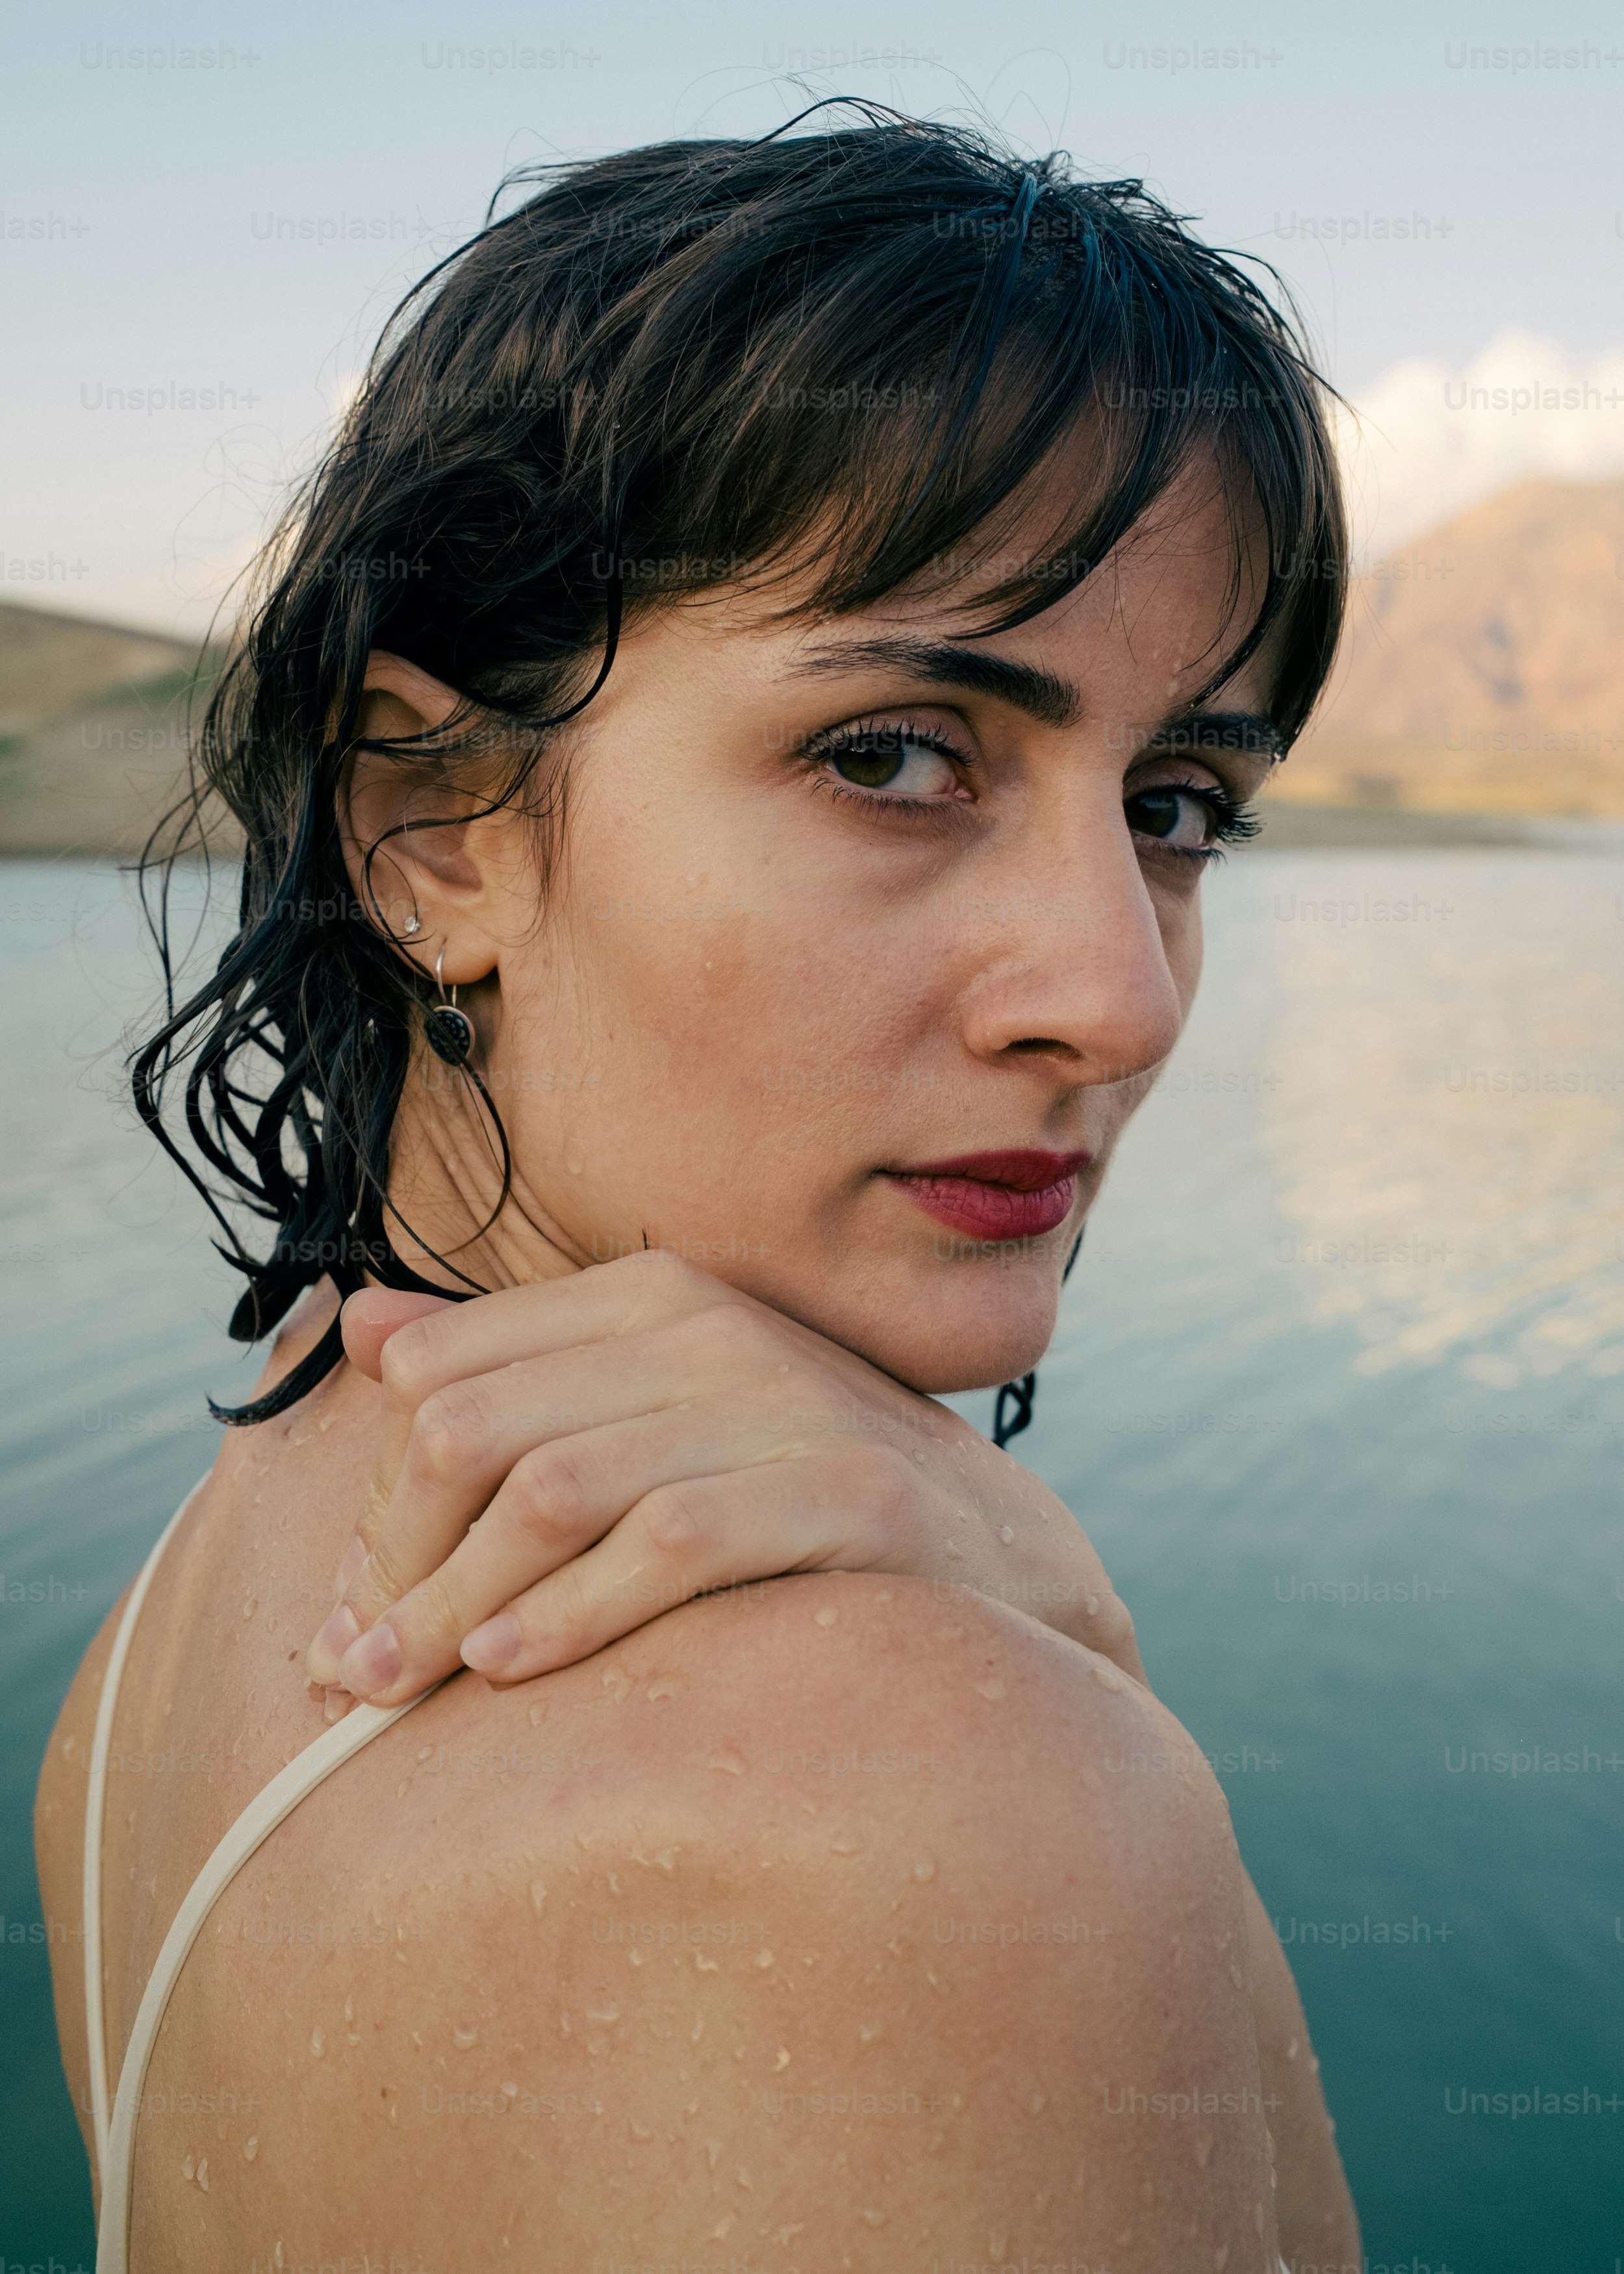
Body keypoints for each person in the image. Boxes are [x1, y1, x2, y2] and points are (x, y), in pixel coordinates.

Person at [36, 113, 1360, 2269]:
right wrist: (1072, 1711)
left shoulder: (164, 1638)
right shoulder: (925, 1804)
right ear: (434, 826)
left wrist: (1054, 1606)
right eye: (893, 756)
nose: (1116, 996)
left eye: (1176, 803)